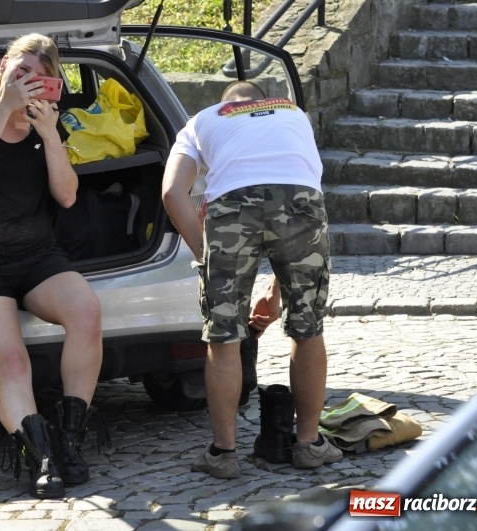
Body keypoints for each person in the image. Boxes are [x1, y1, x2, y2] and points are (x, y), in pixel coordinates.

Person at [0, 33, 105, 499]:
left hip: (37, 256)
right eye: (23, 71)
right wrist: (3, 108)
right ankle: (41, 456)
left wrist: (50, 134)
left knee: (87, 313)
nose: (30, 81)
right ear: (4, 66)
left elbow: (67, 196)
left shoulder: (45, 124)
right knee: (12, 361)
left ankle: (69, 440)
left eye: (42, 76)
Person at [161, 80, 342, 479]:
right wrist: (276, 295)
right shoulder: (293, 114)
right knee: (308, 329)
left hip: (232, 207)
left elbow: (173, 193)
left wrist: (206, 257)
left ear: (225, 103)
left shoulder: (203, 119)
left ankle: (223, 454)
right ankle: (309, 444)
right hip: (300, 200)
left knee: (224, 337)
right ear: (263, 100)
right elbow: (295, 186)